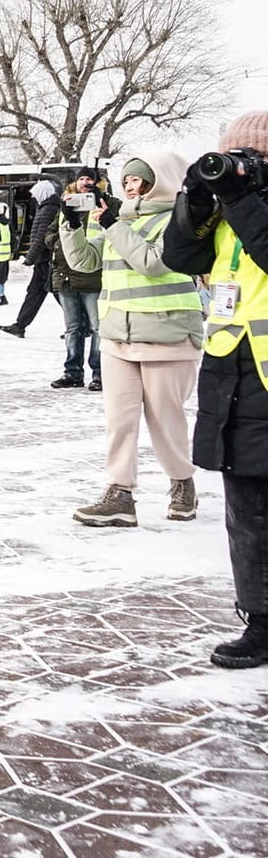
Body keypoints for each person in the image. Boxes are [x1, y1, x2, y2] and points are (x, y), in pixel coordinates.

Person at [163, 111, 268, 668]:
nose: (240, 166)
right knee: (245, 509)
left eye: (252, 158)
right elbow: (179, 256)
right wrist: (198, 201)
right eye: (232, 156)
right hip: (234, 373)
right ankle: (260, 619)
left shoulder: (250, 205)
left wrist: (241, 195)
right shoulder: (229, 206)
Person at [63, 150, 201, 527]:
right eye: (126, 180)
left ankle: (182, 482)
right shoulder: (116, 220)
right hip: (117, 335)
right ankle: (119, 493)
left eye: (139, 180)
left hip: (167, 336)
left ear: (159, 182)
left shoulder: (179, 219)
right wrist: (71, 226)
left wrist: (111, 224)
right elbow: (85, 263)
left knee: (166, 419)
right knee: (119, 420)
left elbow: (153, 262)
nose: (130, 187)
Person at [49, 183, 104, 391]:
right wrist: (58, 242)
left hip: (92, 278)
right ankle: (73, 372)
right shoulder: (66, 207)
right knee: (73, 329)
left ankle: (99, 372)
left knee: (98, 327)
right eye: (81, 179)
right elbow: (49, 234)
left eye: (90, 180)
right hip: (66, 277)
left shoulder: (104, 207)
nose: (84, 184)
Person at [0, 178, 61, 337]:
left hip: (47, 259)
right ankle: (20, 326)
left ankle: (82, 325)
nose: (34, 198)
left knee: (57, 293)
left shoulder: (49, 209)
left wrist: (30, 258)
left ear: (43, 193)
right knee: (37, 292)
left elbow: (41, 236)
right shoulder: (46, 208)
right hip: (44, 260)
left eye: (36, 194)